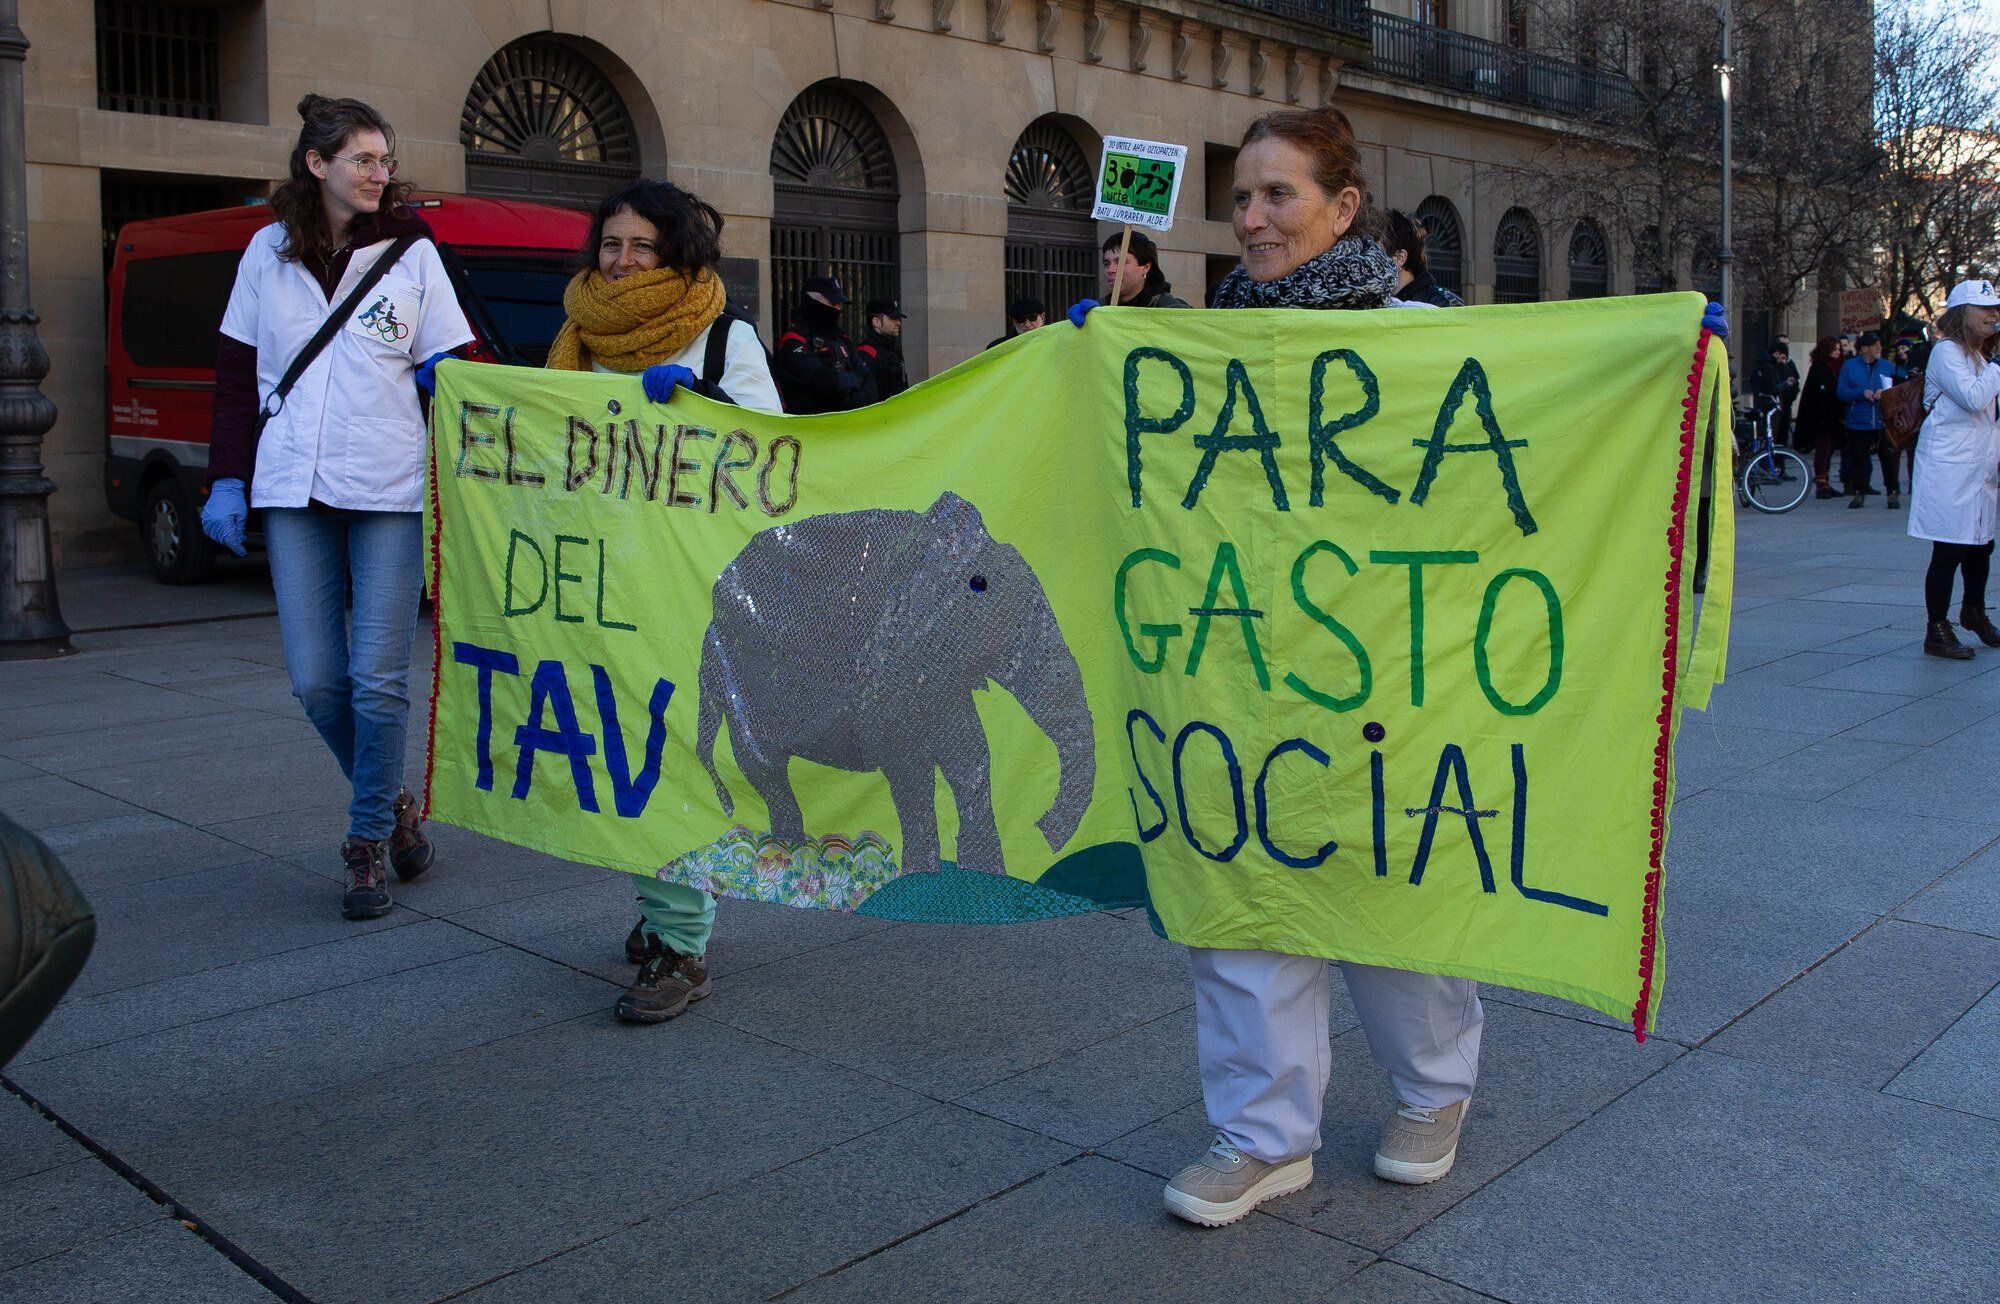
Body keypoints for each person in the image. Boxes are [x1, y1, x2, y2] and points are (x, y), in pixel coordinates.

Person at [199, 95, 471, 921]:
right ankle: (392, 803)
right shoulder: (264, 251)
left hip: (386, 487)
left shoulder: (413, 251)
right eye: (363, 160)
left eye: (386, 160)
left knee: (377, 678)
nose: (379, 174)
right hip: (291, 487)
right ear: (316, 164)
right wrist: (226, 477)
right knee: (318, 683)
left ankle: (363, 847)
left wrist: (447, 386)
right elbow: (234, 376)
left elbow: (454, 361)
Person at [546, 177, 782, 1022]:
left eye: (641, 245)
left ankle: (680, 942)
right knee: (621, 753)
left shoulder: (722, 337)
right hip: (604, 582)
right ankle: (666, 915)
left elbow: (768, 445)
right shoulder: (578, 336)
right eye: (610, 244)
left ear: (676, 251)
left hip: (693, 585)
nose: (621, 261)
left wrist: (701, 403)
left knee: (666, 752)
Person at [1908, 279, 2000, 660]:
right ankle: (1936, 629)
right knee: (1950, 547)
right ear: (1964, 314)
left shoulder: (1979, 357)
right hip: (1949, 467)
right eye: (1986, 310)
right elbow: (1974, 398)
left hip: (1979, 467)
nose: (1994, 315)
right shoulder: (1946, 353)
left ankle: (1973, 611)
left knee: (1982, 543)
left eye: (1997, 309)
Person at [773, 276, 877, 414]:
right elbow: (825, 383)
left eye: (839, 304)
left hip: (846, 426)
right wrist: (856, 381)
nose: (838, 309)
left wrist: (845, 401)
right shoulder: (793, 342)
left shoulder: (842, 339)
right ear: (813, 302)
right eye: (833, 303)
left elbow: (870, 385)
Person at [1837, 331, 1900, 508]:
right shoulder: (1849, 366)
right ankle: (1859, 492)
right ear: (1864, 349)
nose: (1879, 347)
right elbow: (1841, 392)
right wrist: (1861, 393)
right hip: (1858, 420)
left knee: (1888, 457)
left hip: (1882, 421)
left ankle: (1892, 492)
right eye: (1875, 345)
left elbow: (1896, 390)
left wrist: (1885, 393)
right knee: (1859, 459)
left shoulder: (1886, 365)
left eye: (1879, 344)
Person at [1797, 337, 1848, 499]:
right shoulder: (1819, 368)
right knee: (1823, 450)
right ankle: (1820, 485)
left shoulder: (1839, 367)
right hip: (1821, 418)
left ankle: (1826, 482)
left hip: (1835, 417)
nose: (1837, 353)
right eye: (1834, 349)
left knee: (1830, 450)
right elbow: (1813, 396)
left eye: (1838, 350)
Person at [1384, 209, 1464, 306]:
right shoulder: (1371, 303)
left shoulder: (1445, 304)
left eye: (1376, 251)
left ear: (1401, 257)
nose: (1368, 259)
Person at [1099, 230, 1193, 309]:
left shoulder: (1172, 310)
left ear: (1145, 268)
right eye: (1107, 263)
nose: (1110, 270)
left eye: (1121, 262)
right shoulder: (1096, 309)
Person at [1750, 340, 1799, 450]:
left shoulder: (1763, 365)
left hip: (1764, 406)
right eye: (1782, 357)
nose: (1782, 361)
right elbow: (1772, 389)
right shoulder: (1768, 367)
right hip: (1769, 408)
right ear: (1776, 353)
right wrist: (1786, 383)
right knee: (1769, 440)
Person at [858, 298, 910, 400]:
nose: (898, 323)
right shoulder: (866, 353)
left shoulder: (894, 350)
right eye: (893, 318)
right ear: (876, 322)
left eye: (898, 318)